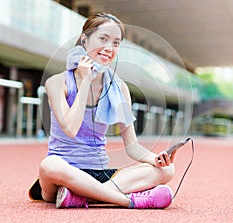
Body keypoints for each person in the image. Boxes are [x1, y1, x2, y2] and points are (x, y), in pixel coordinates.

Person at [30, 12, 176, 209]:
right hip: (63, 173)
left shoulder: (119, 88)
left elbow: (132, 147)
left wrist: (157, 159)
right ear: (85, 40)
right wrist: (85, 81)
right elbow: (71, 128)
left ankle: (83, 196)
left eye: (116, 43)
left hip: (99, 173)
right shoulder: (56, 83)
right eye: (103, 39)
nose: (109, 48)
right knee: (48, 165)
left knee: (167, 171)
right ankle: (128, 201)